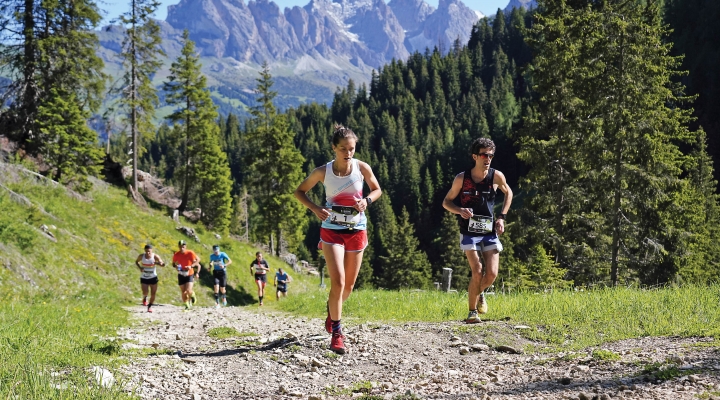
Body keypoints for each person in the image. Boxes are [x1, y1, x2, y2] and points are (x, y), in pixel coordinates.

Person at [294, 124, 382, 355]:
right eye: (343, 148)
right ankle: (337, 334)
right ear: (334, 148)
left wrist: (367, 201)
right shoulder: (323, 171)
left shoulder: (362, 168)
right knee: (339, 282)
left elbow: (377, 190)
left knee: (350, 286)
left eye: (351, 148)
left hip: (357, 230)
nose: (348, 153)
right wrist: (315, 208)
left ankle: (332, 313)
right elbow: (299, 191)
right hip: (331, 230)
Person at [442, 137, 513, 324]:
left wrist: (502, 217)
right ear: (475, 156)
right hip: (469, 231)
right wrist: (460, 210)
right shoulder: (462, 179)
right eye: (484, 155)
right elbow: (446, 202)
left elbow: (509, 193)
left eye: (491, 155)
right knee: (478, 270)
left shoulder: (496, 176)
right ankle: (472, 312)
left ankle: (480, 293)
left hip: (489, 231)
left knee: (492, 273)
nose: (488, 158)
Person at [135, 244, 165, 313]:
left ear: (152, 250)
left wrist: (158, 263)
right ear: (144, 251)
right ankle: (145, 298)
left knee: (153, 293)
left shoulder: (155, 256)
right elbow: (136, 262)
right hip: (144, 277)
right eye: (146, 251)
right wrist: (140, 268)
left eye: (149, 251)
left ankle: (150, 306)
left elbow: (162, 264)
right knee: (145, 292)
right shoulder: (141, 256)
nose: (148, 253)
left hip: (153, 277)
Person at [172, 240, 200, 310]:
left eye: (183, 247)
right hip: (181, 274)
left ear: (185, 246)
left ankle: (192, 295)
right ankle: (187, 306)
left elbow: (198, 260)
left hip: (189, 273)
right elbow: (173, 263)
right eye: (180, 247)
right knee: (183, 292)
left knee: (188, 290)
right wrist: (176, 267)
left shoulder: (190, 253)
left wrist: (191, 266)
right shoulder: (176, 254)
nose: (182, 248)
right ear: (178, 247)